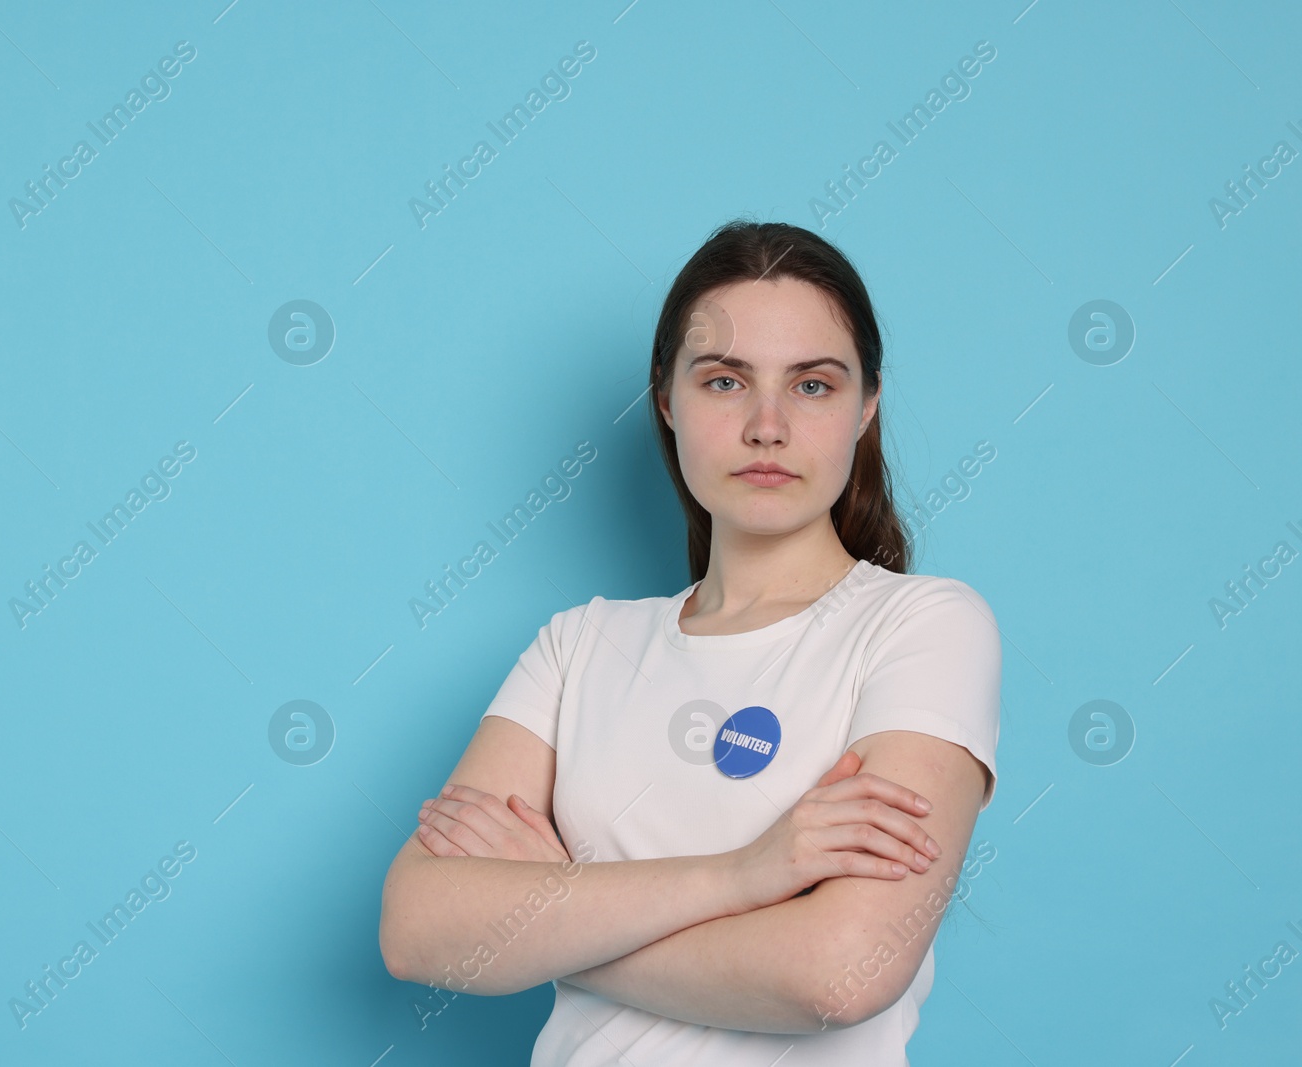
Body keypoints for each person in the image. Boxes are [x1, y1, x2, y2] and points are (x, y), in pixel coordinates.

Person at [378, 219, 1001, 1065]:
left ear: (867, 407)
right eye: (724, 381)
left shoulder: (923, 626)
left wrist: (552, 909)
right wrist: (744, 875)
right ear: (667, 399)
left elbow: (843, 974)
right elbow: (417, 929)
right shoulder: (579, 645)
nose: (768, 425)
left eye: (813, 385)